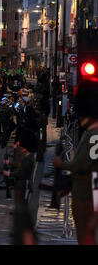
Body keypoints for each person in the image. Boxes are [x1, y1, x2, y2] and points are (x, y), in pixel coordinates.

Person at [53, 79, 98, 245]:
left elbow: (82, 165)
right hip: (86, 192)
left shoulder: (94, 135)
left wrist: (61, 163)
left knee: (86, 236)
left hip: (86, 195)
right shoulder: (92, 132)